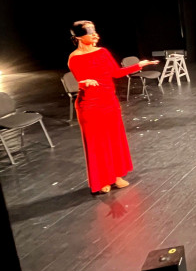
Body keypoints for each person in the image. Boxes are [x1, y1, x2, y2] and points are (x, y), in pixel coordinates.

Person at [67, 21, 159, 194]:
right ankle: (103, 179)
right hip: (89, 105)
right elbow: (80, 80)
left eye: (95, 31)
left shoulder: (103, 52)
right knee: (97, 144)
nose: (96, 35)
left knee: (113, 140)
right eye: (90, 32)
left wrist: (139, 65)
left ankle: (116, 176)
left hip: (109, 102)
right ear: (78, 36)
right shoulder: (74, 57)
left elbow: (116, 73)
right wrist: (85, 83)